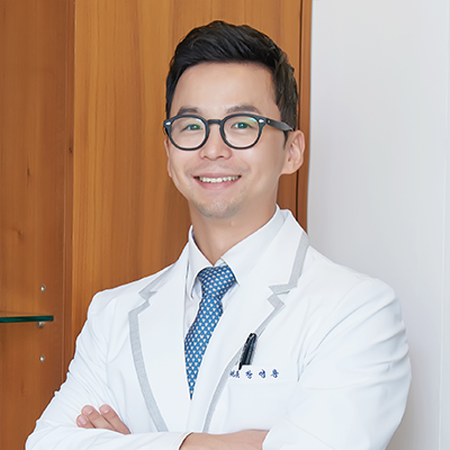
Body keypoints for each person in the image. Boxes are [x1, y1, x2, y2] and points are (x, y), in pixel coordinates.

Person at [27, 21, 411, 450]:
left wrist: (136, 443)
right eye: (192, 126)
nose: (213, 149)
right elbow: (46, 444)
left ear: (292, 151)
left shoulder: (356, 311)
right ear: (169, 152)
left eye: (242, 124)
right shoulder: (112, 314)